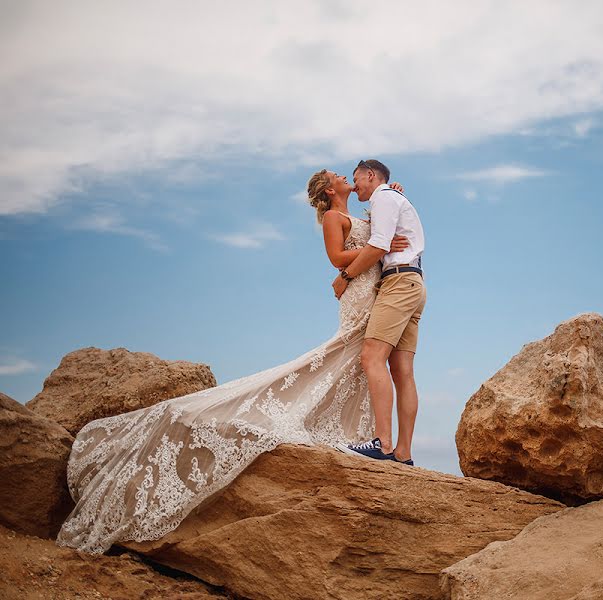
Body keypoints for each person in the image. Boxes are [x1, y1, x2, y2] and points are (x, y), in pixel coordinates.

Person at [56, 168, 409, 555]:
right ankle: (376, 441)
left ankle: (371, 440)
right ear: (329, 188)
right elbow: (336, 257)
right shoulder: (332, 217)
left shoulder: (361, 213)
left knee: (360, 363)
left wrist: (390, 198)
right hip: (359, 293)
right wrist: (367, 255)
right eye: (340, 175)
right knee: (346, 355)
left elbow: (382, 226)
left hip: (373, 291)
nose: (346, 177)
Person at [332, 159, 426, 467]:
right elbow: (382, 242)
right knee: (403, 372)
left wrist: (345, 278)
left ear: (371, 176)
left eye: (357, 178)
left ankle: (383, 444)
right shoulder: (393, 197)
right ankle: (403, 453)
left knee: (371, 357)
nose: (355, 184)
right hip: (414, 282)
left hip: (398, 282)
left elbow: (378, 246)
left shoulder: (384, 197)